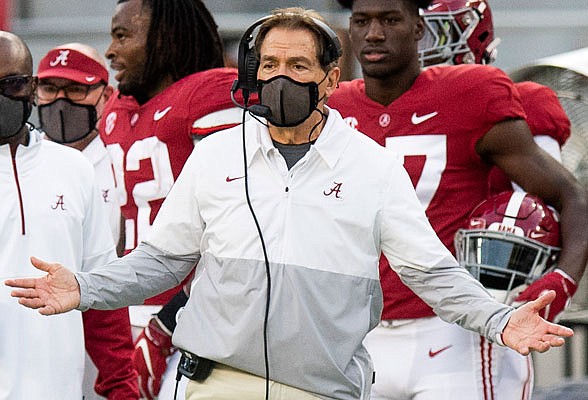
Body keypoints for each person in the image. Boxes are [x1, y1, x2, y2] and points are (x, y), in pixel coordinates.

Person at [5, 9, 575, 400]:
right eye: (269, 65)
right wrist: (85, 288)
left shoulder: (371, 166)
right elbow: (161, 261)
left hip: (322, 388)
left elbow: (430, 271)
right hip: (214, 385)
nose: (281, 77)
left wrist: (500, 322)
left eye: (298, 67)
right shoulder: (216, 154)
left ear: (330, 79)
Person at [327, 1, 588, 399]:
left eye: (390, 20)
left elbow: (568, 196)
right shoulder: (328, 110)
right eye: (362, 21)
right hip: (357, 332)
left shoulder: (472, 94)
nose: (374, 33)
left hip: (456, 330)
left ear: (419, 27)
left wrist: (562, 278)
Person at [99, 0, 247, 398]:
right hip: (122, 314)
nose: (111, 50)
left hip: (193, 317)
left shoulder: (212, 93)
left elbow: (241, 232)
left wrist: (166, 325)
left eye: (123, 36)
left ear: (163, 37)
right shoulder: (116, 109)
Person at [0, 30, 128, 399]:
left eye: (12, 84)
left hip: (60, 389)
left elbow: (103, 293)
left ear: (30, 87)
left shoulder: (73, 168)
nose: (3, 97)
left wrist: (123, 387)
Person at [36, 43, 139, 400]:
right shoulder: (16, 167)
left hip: (111, 339)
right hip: (32, 344)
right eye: (50, 89)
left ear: (106, 94)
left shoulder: (126, 163)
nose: (61, 101)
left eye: (76, 89)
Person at [417, 0, 571, 196]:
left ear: (471, 37)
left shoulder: (523, 101)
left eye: (425, 37)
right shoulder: (386, 105)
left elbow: (544, 208)